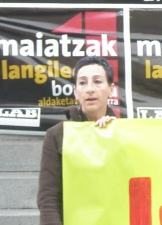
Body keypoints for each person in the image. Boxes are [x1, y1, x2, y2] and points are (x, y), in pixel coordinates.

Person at [38, 56, 117, 224]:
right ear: (75, 92)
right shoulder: (58, 135)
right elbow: (48, 199)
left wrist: (115, 134)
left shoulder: (125, 132)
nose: (90, 89)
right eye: (82, 83)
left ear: (111, 89)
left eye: (97, 81)